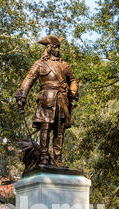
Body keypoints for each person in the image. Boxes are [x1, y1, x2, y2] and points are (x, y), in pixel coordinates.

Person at [15, 35, 79, 166]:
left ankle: (58, 159)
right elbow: (29, 79)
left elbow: (73, 80)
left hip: (62, 99)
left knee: (59, 130)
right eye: (55, 47)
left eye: (58, 47)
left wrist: (73, 91)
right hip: (46, 98)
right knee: (46, 127)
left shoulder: (64, 65)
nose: (58, 50)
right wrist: (22, 97)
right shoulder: (39, 64)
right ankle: (44, 156)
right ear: (49, 48)